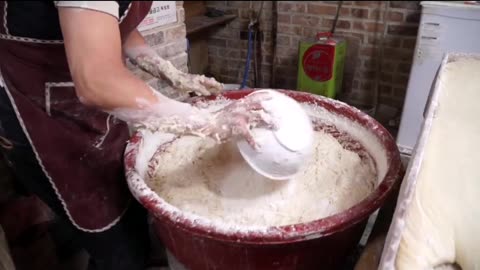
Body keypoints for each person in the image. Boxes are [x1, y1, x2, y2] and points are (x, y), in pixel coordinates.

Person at [0, 1, 272, 269]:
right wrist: (210, 122)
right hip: (41, 113)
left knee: (126, 201)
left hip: (86, 104)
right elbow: (97, 83)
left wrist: (167, 71)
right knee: (114, 242)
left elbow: (117, 26)